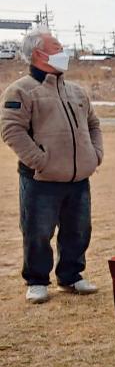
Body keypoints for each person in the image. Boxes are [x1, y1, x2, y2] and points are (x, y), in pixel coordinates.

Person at [1, 27, 102, 303]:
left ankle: (71, 276)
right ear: (38, 54)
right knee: (38, 231)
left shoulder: (76, 91)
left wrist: (95, 155)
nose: (63, 52)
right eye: (57, 47)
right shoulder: (21, 90)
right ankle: (36, 280)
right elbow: (12, 130)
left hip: (79, 177)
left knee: (78, 229)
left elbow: (93, 124)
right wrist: (40, 161)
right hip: (41, 179)